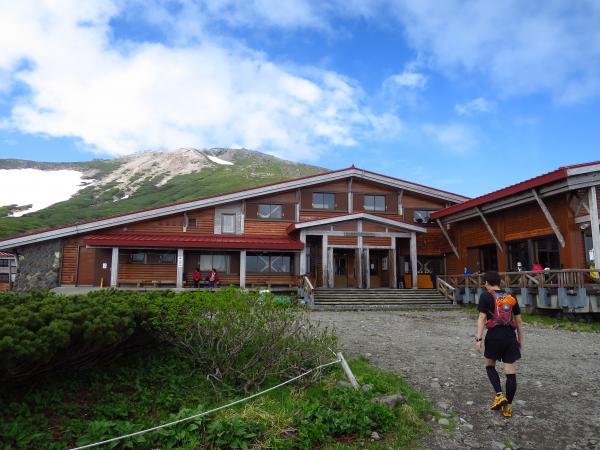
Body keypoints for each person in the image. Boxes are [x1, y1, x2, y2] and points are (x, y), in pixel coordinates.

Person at [475, 270, 524, 418]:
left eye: (484, 282)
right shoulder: (510, 296)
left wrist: (478, 339)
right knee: (510, 372)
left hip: (494, 336)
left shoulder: (485, 296)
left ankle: (499, 395)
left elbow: (482, 318)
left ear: (487, 282)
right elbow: (519, 321)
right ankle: (508, 407)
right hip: (510, 337)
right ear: (499, 282)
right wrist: (520, 341)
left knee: (489, 365)